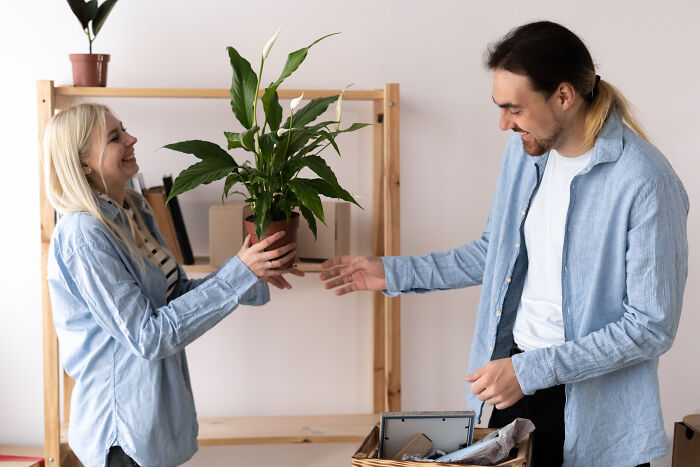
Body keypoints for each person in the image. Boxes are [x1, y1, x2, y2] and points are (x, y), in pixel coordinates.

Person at [320, 21, 688, 467]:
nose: (503, 124)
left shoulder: (646, 181)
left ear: (564, 96)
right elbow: (495, 253)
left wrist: (531, 372)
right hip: (513, 384)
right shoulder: (526, 152)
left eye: (514, 108)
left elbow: (649, 327)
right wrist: (393, 272)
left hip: (595, 414)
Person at [43, 102, 302, 467]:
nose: (132, 139)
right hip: (123, 437)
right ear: (82, 164)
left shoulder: (134, 209)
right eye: (116, 137)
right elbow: (148, 336)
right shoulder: (83, 236)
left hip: (158, 424)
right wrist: (236, 275)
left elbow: (174, 294)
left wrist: (248, 274)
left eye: (125, 129)